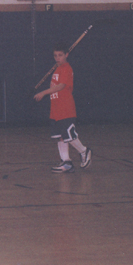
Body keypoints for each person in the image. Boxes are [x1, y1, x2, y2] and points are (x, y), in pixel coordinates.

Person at [34, 42, 92, 173]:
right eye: (55, 55)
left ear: (67, 55)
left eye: (60, 55)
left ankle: (84, 150)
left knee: (68, 135)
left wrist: (43, 92)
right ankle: (66, 162)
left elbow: (61, 86)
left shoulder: (66, 68)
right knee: (60, 136)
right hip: (56, 109)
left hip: (65, 108)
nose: (57, 58)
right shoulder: (57, 69)